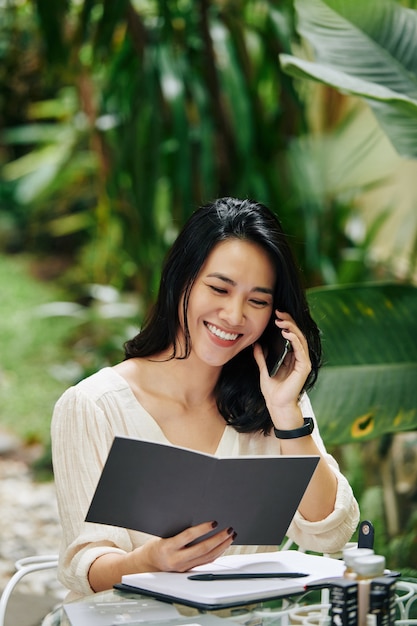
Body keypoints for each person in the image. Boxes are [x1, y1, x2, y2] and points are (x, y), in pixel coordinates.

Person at [51, 196, 359, 601]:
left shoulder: (272, 399)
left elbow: (329, 532)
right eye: (219, 288)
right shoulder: (93, 405)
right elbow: (84, 568)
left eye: (258, 300)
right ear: (183, 280)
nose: (234, 315)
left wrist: (286, 412)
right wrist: (150, 560)